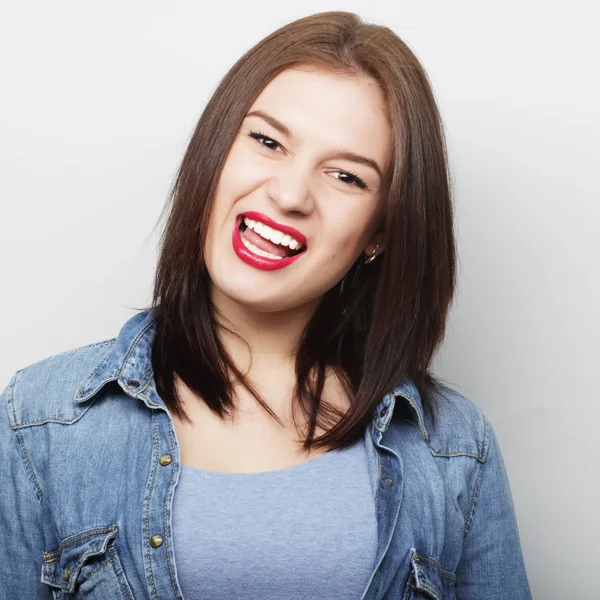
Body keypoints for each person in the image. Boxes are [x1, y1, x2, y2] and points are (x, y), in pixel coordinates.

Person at [0, 10, 532, 600]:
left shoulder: (456, 448)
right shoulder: (38, 422)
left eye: (347, 177)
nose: (289, 193)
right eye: (267, 140)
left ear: (381, 232)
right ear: (215, 153)